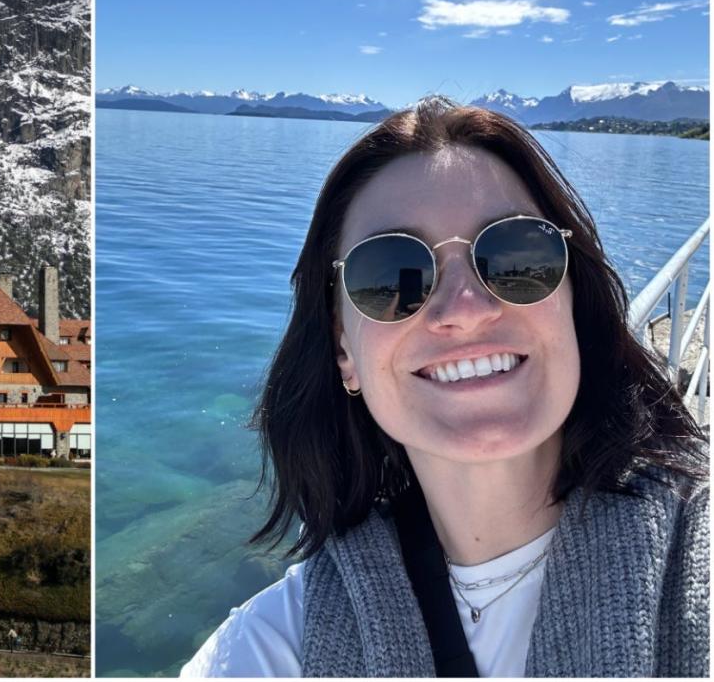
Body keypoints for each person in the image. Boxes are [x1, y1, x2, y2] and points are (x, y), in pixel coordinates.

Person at [182, 97, 708, 678]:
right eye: (389, 275)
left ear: (573, 305)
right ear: (344, 351)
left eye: (517, 256)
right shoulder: (268, 649)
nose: (465, 309)